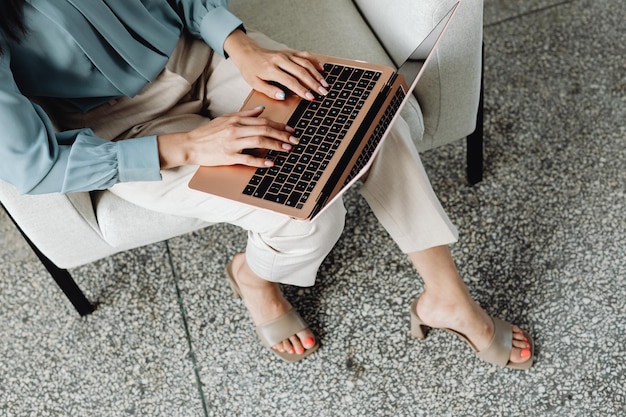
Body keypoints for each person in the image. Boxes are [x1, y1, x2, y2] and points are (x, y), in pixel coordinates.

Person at [0, 0, 533, 368]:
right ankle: (253, 277)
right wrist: (190, 146)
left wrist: (239, 44)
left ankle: (446, 295)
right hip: (125, 132)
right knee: (304, 213)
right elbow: (33, 165)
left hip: (204, 57)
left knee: (364, 110)